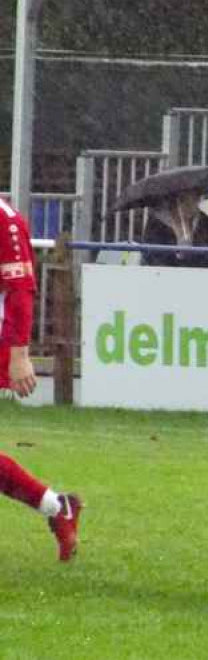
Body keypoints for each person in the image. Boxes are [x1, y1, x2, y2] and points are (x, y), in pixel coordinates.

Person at [0, 198, 82, 561]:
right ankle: (58, 506)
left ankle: (58, 507)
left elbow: (21, 289)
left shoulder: (6, 220)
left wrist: (19, 355)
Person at [142, 190, 208, 268]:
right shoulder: (157, 223)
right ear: (176, 201)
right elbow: (151, 256)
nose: (195, 205)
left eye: (197, 198)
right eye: (188, 201)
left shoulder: (203, 220)